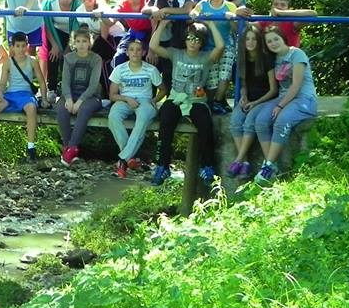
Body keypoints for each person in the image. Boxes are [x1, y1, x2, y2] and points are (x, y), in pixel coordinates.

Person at [147, 19, 224, 186]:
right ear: (185, 39)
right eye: (189, 38)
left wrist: (211, 24)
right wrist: (162, 24)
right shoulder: (176, 53)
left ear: (202, 43)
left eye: (197, 39)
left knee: (205, 125)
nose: (192, 42)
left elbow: (220, 47)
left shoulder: (206, 57)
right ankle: (163, 166)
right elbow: (153, 46)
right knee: (165, 121)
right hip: (176, 97)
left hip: (197, 100)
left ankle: (207, 166)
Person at [252, 26, 318, 184]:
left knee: (282, 120)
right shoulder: (273, 59)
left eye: (276, 39)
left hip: (304, 99)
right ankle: (271, 165)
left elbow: (296, 86)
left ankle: (267, 167)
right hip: (283, 97)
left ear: (283, 38)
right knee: (260, 121)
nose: (273, 43)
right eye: (269, 41)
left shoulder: (297, 54)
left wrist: (280, 106)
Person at [0, 31, 50, 161]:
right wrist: (0, 94)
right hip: (10, 94)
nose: (21, 49)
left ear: (27, 46)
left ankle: (31, 147)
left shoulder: (32, 61)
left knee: (31, 108)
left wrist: (45, 99)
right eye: (17, 46)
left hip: (26, 94)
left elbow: (41, 81)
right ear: (12, 47)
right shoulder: (8, 62)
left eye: (23, 46)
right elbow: (2, 83)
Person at [227, 24, 278, 178]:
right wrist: (243, 96)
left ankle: (238, 159)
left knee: (249, 122)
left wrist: (256, 103)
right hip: (249, 100)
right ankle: (245, 163)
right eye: (247, 39)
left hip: (265, 100)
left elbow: (273, 90)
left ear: (259, 41)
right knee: (235, 121)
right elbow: (244, 85)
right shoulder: (241, 60)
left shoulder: (266, 59)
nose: (250, 42)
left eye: (254, 39)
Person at [107, 40, 162, 178]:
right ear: (127, 52)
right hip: (125, 99)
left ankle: (122, 160)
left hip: (145, 101)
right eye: (131, 49)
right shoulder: (119, 69)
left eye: (138, 50)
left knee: (142, 118)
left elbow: (163, 89)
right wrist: (126, 98)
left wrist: (154, 100)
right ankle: (129, 158)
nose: (135, 52)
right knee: (113, 117)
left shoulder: (151, 69)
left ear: (143, 52)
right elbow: (112, 95)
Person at [56, 27, 104, 167]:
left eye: (84, 41)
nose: (81, 44)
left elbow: (93, 85)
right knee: (61, 108)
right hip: (71, 94)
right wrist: (69, 99)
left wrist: (80, 101)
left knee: (84, 109)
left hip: (91, 97)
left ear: (89, 43)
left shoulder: (96, 59)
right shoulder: (69, 58)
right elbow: (65, 82)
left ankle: (71, 149)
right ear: (74, 43)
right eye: (78, 41)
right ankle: (68, 148)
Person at [145, 0, 195, 99]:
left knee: (177, 69)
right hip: (163, 37)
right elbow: (145, 9)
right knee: (160, 67)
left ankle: (178, 98)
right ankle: (152, 99)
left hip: (181, 37)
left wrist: (166, 10)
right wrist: (154, 9)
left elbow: (187, 9)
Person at [190, 0, 238, 114]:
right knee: (212, 79)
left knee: (224, 75)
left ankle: (217, 101)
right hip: (209, 47)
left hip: (227, 45)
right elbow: (193, 13)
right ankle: (214, 103)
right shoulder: (203, 4)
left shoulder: (230, 6)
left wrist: (231, 18)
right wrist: (195, 14)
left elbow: (236, 29)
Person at [42, 0, 82, 100]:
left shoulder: (79, 5)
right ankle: (52, 88)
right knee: (53, 55)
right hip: (55, 32)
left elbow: (77, 28)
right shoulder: (50, 4)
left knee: (69, 58)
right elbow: (47, 25)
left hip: (73, 34)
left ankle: (68, 89)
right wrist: (55, 45)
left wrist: (68, 48)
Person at [110, 0, 153, 68]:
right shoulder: (122, 4)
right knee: (119, 58)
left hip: (150, 33)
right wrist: (101, 14)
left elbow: (155, 16)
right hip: (133, 32)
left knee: (150, 58)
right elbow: (110, 19)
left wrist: (152, 50)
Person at [37, 0, 63, 85]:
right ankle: (43, 85)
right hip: (45, 22)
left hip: (61, 23)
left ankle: (57, 83)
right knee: (44, 53)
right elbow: (39, 3)